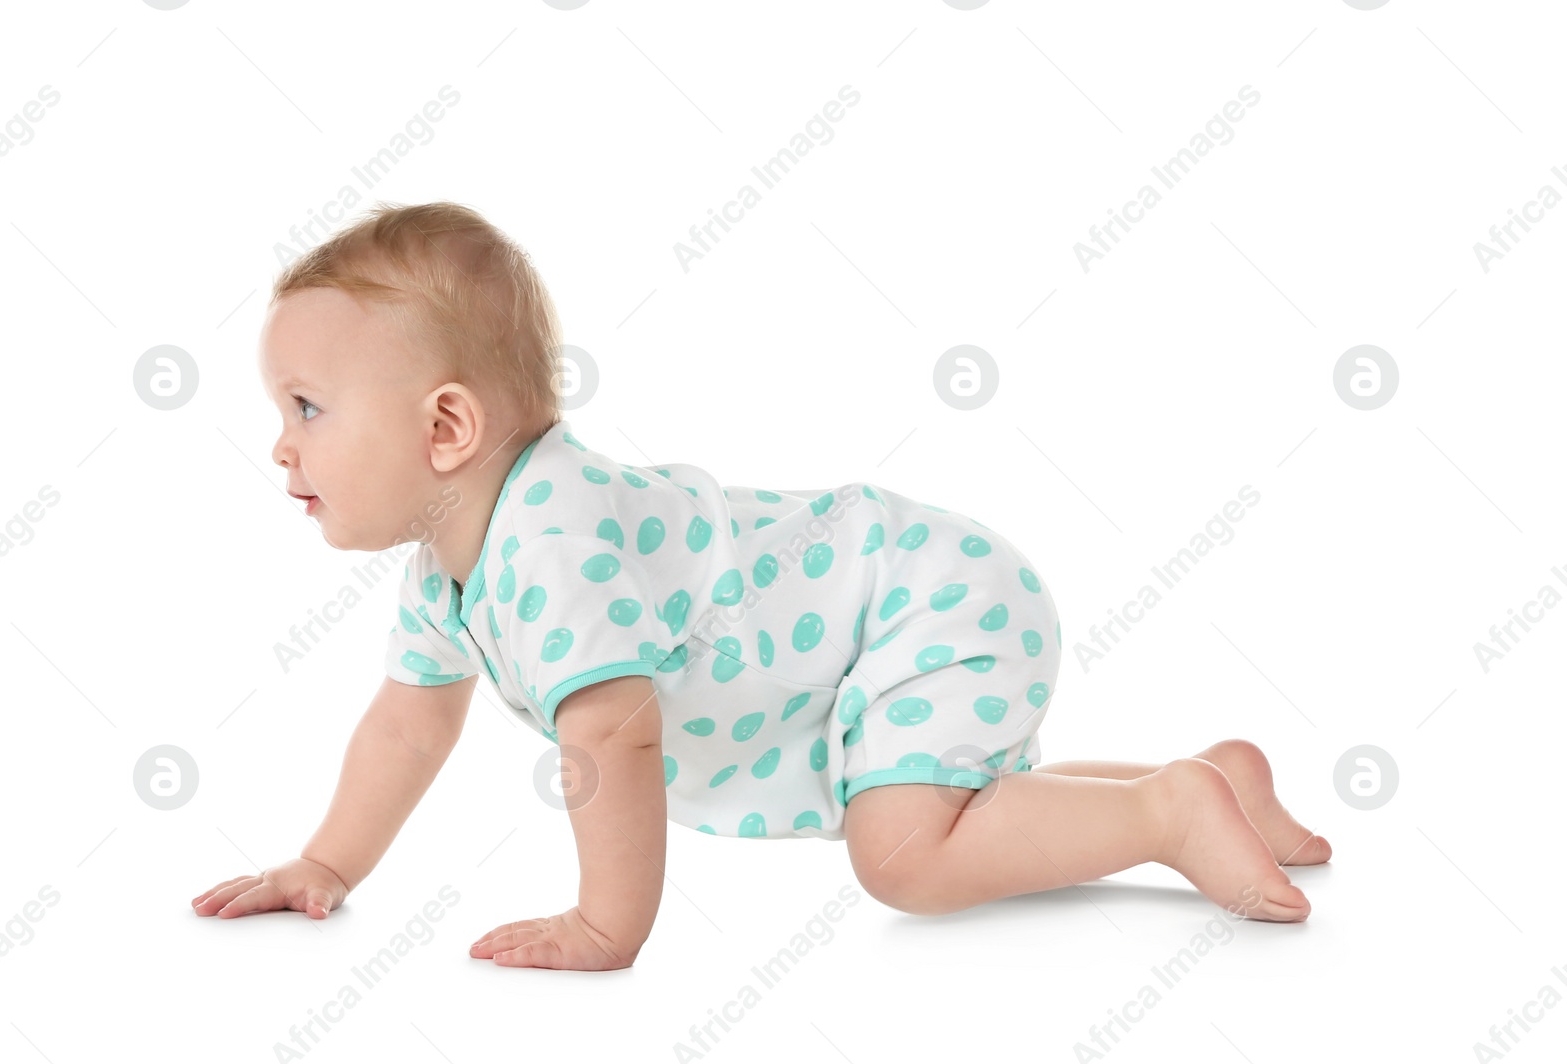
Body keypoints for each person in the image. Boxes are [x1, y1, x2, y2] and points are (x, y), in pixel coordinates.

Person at [191, 201, 1330, 971]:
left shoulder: (551, 543)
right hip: (903, 605)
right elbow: (405, 725)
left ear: (446, 426)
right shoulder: (447, 565)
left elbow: (616, 744)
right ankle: (1210, 780)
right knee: (945, 806)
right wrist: (325, 862)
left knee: (902, 856)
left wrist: (605, 925)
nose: (281, 447)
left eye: (306, 407)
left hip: (920, 603)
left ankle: (1161, 813)